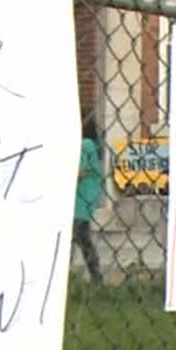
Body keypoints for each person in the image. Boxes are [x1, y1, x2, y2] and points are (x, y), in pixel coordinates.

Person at [74, 118, 106, 286]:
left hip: (82, 197)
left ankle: (96, 276)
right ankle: (95, 276)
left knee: (81, 235)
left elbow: (79, 171)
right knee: (80, 237)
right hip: (84, 196)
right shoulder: (89, 144)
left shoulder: (84, 145)